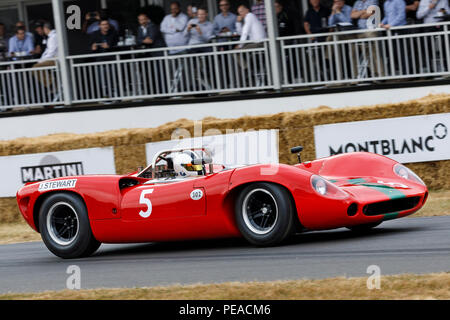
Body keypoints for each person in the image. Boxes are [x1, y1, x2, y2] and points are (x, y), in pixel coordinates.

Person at [32, 23, 58, 96]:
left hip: (55, 59)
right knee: (36, 66)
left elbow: (51, 52)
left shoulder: (53, 37)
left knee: (35, 67)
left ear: (46, 29)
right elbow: (47, 52)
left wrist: (41, 61)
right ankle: (51, 84)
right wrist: (41, 60)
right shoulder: (51, 36)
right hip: (52, 59)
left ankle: (52, 84)